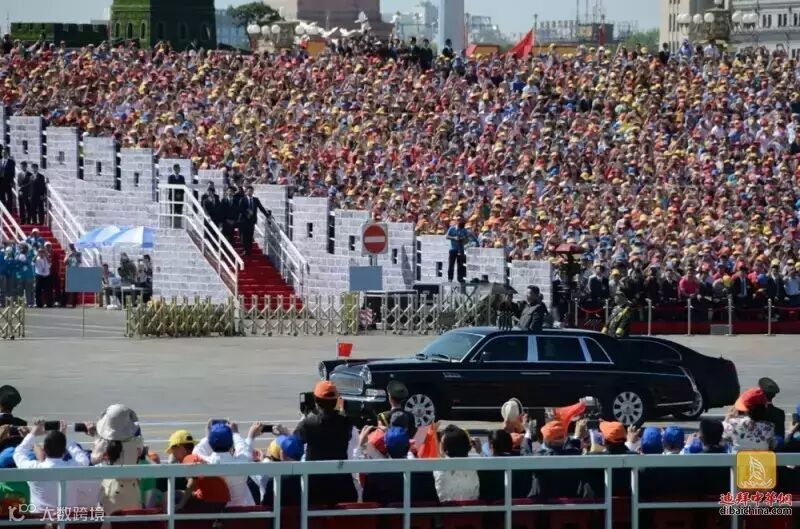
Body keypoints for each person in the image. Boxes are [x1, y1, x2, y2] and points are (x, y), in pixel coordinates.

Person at [293, 381, 358, 506]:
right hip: (342, 486)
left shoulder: (308, 424)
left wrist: (305, 418)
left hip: (315, 488)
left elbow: (293, 446)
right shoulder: (346, 423)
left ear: (316, 400)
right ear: (336, 401)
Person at [12, 420, 91, 511]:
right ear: (64, 451)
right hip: (68, 518)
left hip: (39, 519)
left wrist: (33, 433)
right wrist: (65, 438)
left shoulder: (33, 468)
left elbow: (18, 453)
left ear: (44, 450)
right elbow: (83, 459)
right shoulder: (74, 467)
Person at [88, 404, 145, 514]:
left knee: (109, 520)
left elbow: (93, 459)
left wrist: (97, 437)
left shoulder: (104, 444)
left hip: (111, 490)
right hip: (133, 490)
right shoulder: (137, 442)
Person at [362, 427, 438, 505]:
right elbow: (433, 501)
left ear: (386, 447)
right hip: (421, 513)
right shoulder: (426, 474)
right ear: (408, 446)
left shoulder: (374, 477)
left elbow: (367, 503)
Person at [192, 420, 257, 507]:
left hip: (214, 511)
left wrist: (209, 434)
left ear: (210, 442)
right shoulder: (243, 461)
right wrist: (235, 433)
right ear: (231, 442)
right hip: (240, 510)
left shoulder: (205, 461)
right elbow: (244, 449)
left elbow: (197, 450)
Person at [164, 429, 230, 512]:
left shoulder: (188, 458)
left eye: (173, 451)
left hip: (210, 501)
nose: (173, 454)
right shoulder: (197, 456)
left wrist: (181, 505)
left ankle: (167, 519)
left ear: (181, 448)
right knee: (182, 494)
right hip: (222, 500)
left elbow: (192, 481)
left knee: (169, 496)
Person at [434, 425, 479, 502]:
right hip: (473, 509)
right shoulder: (478, 465)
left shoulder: (437, 469)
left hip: (446, 509)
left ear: (445, 449)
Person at [723, 387, 777, 453]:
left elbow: (723, 436)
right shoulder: (769, 426)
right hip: (760, 459)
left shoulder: (734, 423)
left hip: (738, 459)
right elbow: (773, 445)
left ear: (746, 409)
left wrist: (727, 418)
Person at [261, 434, 304, 509]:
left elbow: (265, 505)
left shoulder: (274, 482)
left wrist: (266, 459)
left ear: (282, 454)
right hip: (302, 515)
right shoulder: (306, 478)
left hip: (280, 516)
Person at [237, 186, 268, 256]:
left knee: (250, 236)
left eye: (251, 191)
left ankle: (249, 251)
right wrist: (247, 213)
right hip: (243, 221)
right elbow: (240, 209)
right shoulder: (242, 199)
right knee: (243, 236)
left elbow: (261, 208)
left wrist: (267, 215)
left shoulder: (255, 200)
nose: (250, 192)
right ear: (246, 192)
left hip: (251, 221)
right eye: (249, 191)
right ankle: (245, 250)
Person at [445, 218, 470, 283]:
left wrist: (463, 239)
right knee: (451, 264)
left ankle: (460, 278)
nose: (460, 228)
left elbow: (467, 239)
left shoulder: (464, 229)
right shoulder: (452, 228)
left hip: (461, 249)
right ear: (457, 222)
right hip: (453, 249)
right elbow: (447, 236)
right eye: (460, 226)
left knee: (460, 265)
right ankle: (450, 278)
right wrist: (454, 238)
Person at [167, 164, 186, 228]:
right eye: (177, 168)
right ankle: (172, 225)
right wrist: (176, 194)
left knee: (179, 211)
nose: (178, 169)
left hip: (180, 197)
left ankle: (179, 225)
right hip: (172, 197)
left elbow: (183, 187)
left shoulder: (182, 177)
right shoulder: (170, 177)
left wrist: (179, 194)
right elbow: (170, 187)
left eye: (179, 168)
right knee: (172, 211)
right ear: (174, 169)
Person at [0, 148, 15, 214]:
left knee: (9, 196)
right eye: (2, 152)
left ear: (7, 153)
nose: (3, 154)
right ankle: (2, 210)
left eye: (5, 153)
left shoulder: (11, 162)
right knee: (1, 196)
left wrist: (11, 181)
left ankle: (9, 211)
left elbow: (12, 173)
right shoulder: (0, 161)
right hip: (1, 182)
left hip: (8, 181)